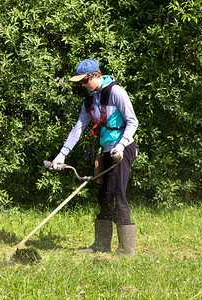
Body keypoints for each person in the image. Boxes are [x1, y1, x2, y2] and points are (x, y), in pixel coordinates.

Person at [51, 59, 138, 256]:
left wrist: (122, 145)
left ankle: (126, 250)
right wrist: (61, 155)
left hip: (123, 149)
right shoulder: (90, 100)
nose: (82, 86)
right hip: (106, 151)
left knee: (117, 195)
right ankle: (101, 245)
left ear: (95, 75)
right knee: (104, 197)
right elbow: (79, 128)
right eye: (80, 82)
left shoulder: (116, 92)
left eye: (84, 81)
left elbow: (133, 122)